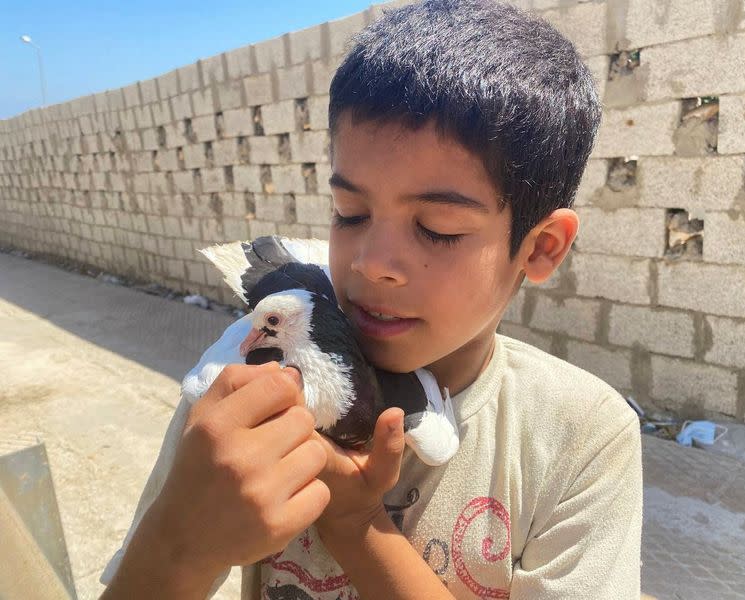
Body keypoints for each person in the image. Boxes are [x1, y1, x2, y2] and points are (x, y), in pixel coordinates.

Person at [100, 0, 643, 598]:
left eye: (437, 227)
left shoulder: (582, 435)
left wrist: (356, 523)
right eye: (350, 213)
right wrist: (179, 545)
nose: (370, 263)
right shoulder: (244, 389)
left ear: (540, 248)